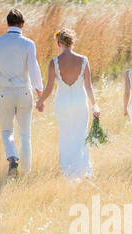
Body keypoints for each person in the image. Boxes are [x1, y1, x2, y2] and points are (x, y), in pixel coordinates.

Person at [36, 29, 100, 179]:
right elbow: (89, 86)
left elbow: (49, 87)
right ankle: (83, 170)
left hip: (63, 103)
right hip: (80, 102)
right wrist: (94, 105)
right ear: (73, 42)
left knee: (65, 136)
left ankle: (68, 172)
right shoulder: (83, 60)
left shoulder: (54, 62)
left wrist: (39, 101)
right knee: (80, 135)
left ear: (58, 43)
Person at [0, 8, 43, 175]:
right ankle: (26, 172)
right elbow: (34, 71)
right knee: (25, 134)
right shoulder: (28, 44)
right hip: (24, 91)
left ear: (7, 23)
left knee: (6, 131)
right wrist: (40, 94)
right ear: (23, 24)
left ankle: (12, 158)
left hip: (4, 92)